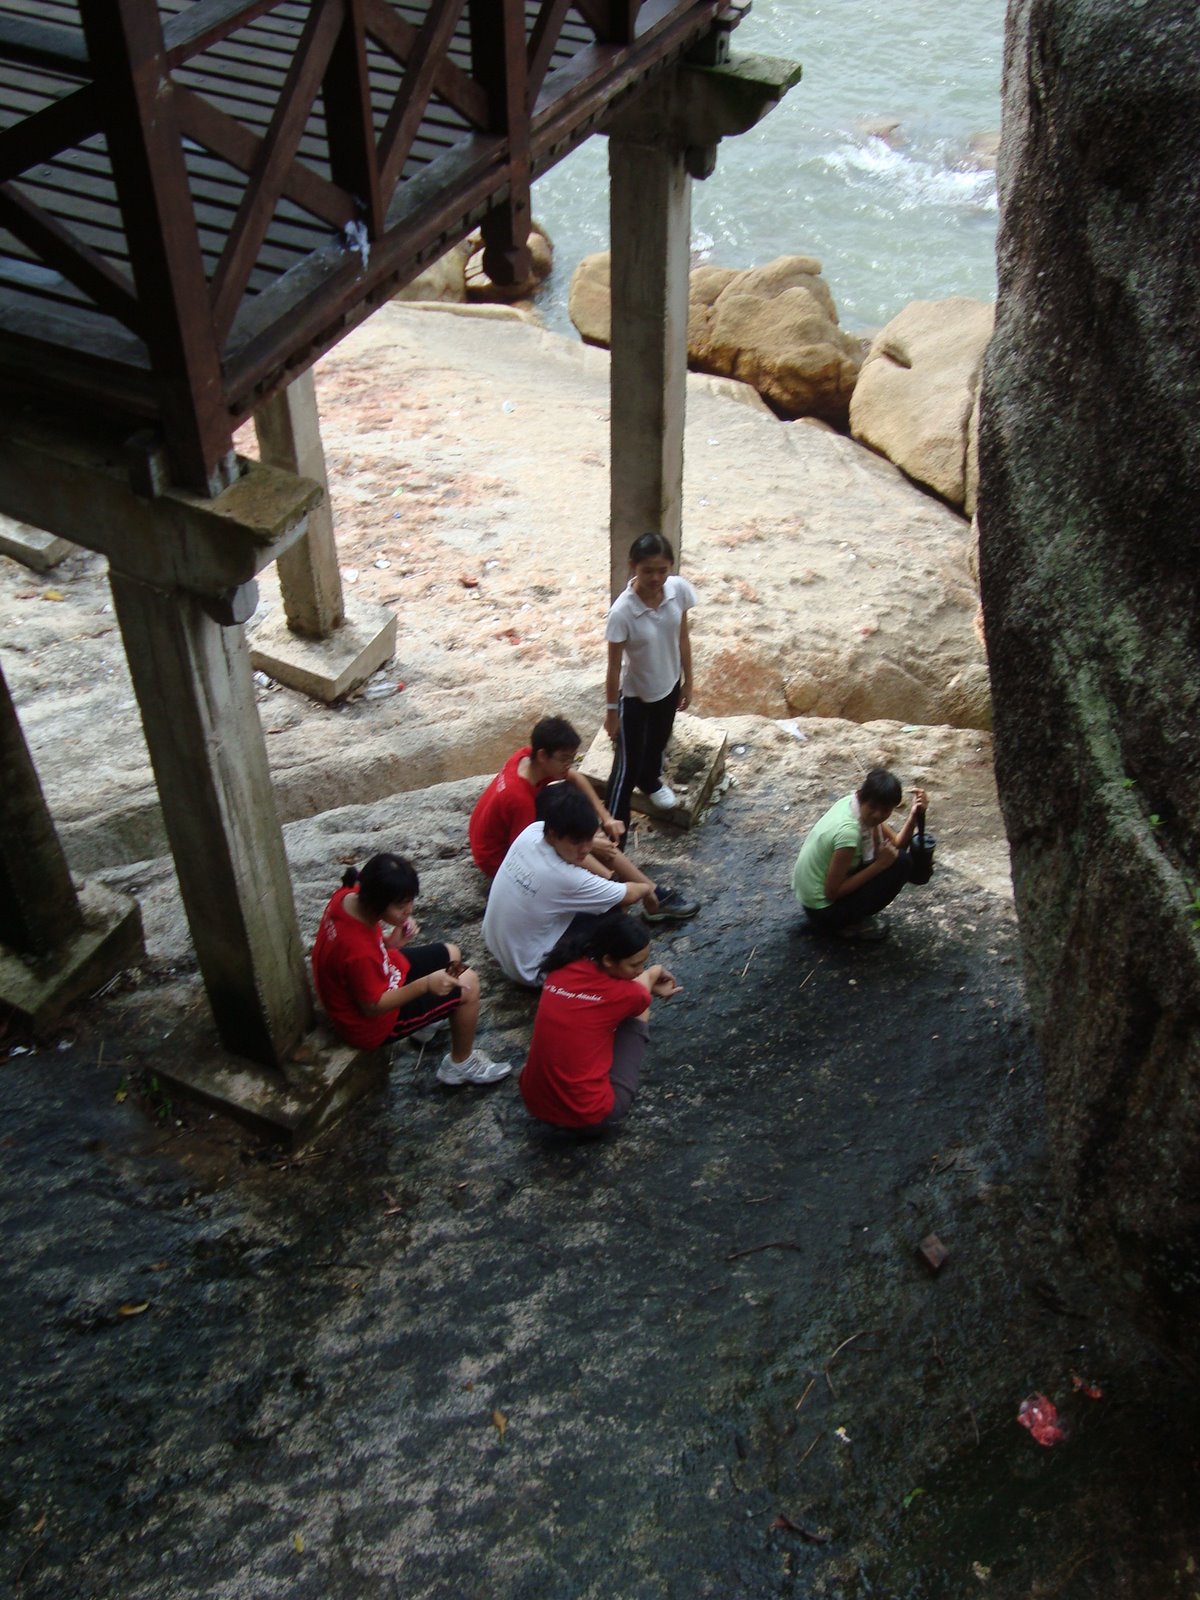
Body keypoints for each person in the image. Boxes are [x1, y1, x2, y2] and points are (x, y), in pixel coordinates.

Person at [468, 714, 698, 921]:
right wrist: (593, 849)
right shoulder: (519, 799)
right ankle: (624, 887)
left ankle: (645, 890)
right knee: (586, 844)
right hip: (497, 858)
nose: (568, 765)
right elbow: (530, 848)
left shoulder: (526, 758)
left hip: (504, 832)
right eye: (564, 759)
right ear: (543, 755)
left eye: (571, 758)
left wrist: (606, 818)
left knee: (583, 824)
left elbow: (576, 778)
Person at [312, 852, 511, 1085]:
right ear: (375, 903)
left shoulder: (349, 895)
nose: (409, 910)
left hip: (381, 971)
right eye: (400, 905)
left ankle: (428, 1023)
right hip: (372, 1024)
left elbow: (362, 948)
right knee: (469, 984)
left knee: (452, 954)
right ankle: (460, 1064)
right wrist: (425, 985)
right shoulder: (358, 951)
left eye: (409, 901)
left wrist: (390, 943)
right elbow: (372, 1007)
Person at [484, 786, 678, 986]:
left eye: (589, 839)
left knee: (598, 899)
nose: (585, 849)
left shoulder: (530, 833)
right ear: (553, 834)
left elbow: (579, 854)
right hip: (532, 971)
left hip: (499, 949)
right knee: (615, 913)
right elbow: (628, 894)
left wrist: (599, 863)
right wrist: (647, 890)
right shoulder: (564, 878)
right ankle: (607, 980)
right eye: (576, 842)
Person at [519, 911, 681, 1132]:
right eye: (634, 965)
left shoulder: (562, 966)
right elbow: (640, 993)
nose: (639, 970)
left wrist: (643, 979)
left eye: (644, 964)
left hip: (535, 1103)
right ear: (608, 960)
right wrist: (653, 973)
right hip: (588, 1116)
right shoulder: (628, 994)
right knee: (639, 1012)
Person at [604, 531, 696, 831]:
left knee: (658, 742)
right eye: (647, 571)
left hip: (669, 687)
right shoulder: (622, 612)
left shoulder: (678, 591)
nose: (655, 578)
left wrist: (688, 681)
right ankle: (614, 836)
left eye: (662, 570)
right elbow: (614, 667)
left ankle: (651, 781)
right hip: (636, 698)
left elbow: (683, 638)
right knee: (625, 769)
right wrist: (611, 712)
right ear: (633, 567)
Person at [791, 769, 930, 941]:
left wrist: (914, 816)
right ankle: (845, 925)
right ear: (861, 796)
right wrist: (879, 865)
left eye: (885, 810)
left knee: (898, 859)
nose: (878, 815)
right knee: (902, 863)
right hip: (822, 910)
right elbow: (832, 893)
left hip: (811, 898)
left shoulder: (851, 805)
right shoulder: (849, 833)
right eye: (873, 807)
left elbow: (897, 844)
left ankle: (845, 919)